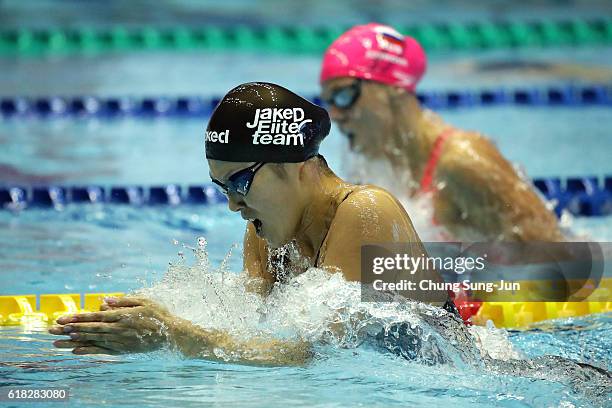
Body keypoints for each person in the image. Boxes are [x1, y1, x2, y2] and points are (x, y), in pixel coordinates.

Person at [49, 82, 451, 365]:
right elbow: (254, 334)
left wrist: (175, 336)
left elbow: (321, 354)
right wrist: (139, 326)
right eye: (221, 187)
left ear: (294, 167)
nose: (231, 205)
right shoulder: (267, 233)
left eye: (239, 182)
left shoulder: (366, 211)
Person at [319, 23, 563, 242]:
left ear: (392, 89)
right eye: (329, 101)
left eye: (344, 95)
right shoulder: (377, 165)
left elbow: (561, 261)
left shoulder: (462, 162)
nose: (336, 114)